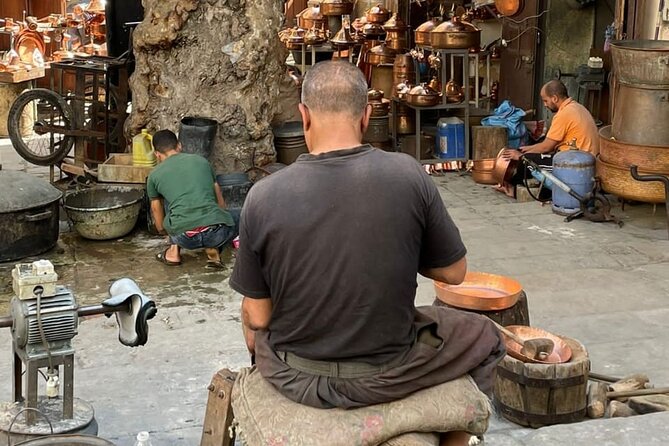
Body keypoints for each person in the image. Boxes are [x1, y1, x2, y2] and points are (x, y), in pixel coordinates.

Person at [230, 61, 505, 446]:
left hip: (297, 378)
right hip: (388, 372)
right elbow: (455, 273)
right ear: (366, 115)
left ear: (304, 116)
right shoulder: (408, 175)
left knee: (249, 314)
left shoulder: (263, 196)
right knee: (484, 334)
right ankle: (455, 437)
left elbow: (259, 315)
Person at [147, 129, 239, 269]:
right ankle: (213, 248)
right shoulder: (202, 161)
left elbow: (155, 207)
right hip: (216, 231)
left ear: (157, 154)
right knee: (240, 215)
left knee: (171, 203)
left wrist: (163, 231)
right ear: (179, 146)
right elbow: (218, 196)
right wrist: (221, 217)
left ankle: (173, 253)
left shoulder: (154, 175)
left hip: (183, 237)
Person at [501, 80, 599, 191]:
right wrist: (526, 149)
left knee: (526, 160)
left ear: (555, 98)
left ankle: (510, 188)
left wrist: (520, 155)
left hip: (576, 165)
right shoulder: (577, 107)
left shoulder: (564, 114)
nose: (545, 104)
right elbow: (548, 143)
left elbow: (546, 147)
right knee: (528, 152)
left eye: (545, 100)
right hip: (584, 158)